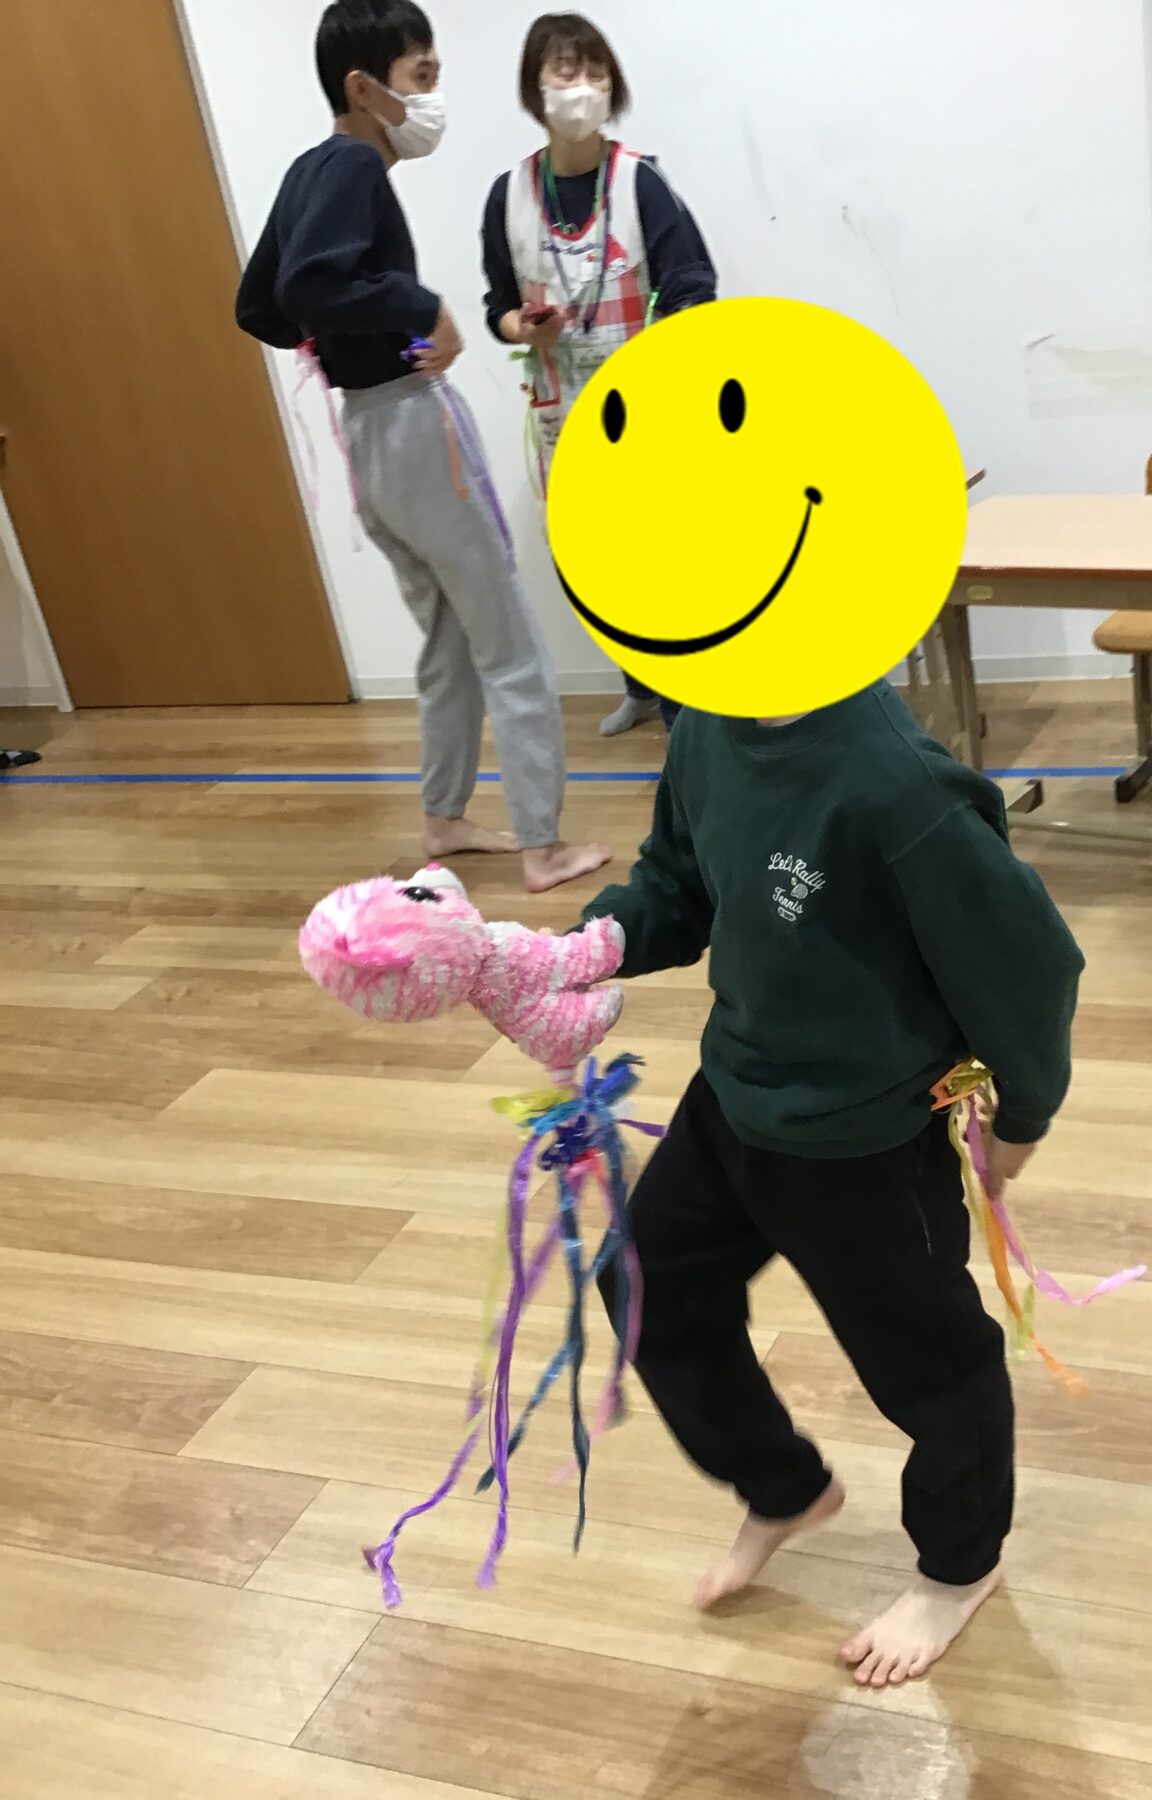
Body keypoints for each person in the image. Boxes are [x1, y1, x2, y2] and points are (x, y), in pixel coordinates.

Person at [577, 680, 1084, 1688]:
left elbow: (1029, 968)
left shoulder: (900, 791)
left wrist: (1020, 1117)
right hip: (733, 1098)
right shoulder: (708, 722)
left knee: (935, 1370)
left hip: (866, 1142)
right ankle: (786, 1488)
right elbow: (679, 881)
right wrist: (595, 943)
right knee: (646, 1283)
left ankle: (960, 1565)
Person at [236, 0, 610, 893]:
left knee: (446, 640)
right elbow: (309, 285)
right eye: (423, 77)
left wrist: (350, 336)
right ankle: (545, 846)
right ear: (365, 88)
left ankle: (445, 817)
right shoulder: (353, 166)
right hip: (412, 424)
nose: (433, 97)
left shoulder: (308, 169)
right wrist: (421, 308)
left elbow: (261, 305)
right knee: (509, 643)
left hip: (366, 433)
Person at [481, 12, 716, 738]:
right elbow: (496, 304)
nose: (581, 86)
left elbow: (692, 285)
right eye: (565, 70)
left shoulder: (640, 182)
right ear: (535, 87)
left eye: (594, 72)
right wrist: (522, 326)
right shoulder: (511, 195)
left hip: (645, 414)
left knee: (662, 562)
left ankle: (686, 712)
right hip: (562, 415)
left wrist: (662, 359)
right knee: (594, 565)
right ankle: (639, 688)